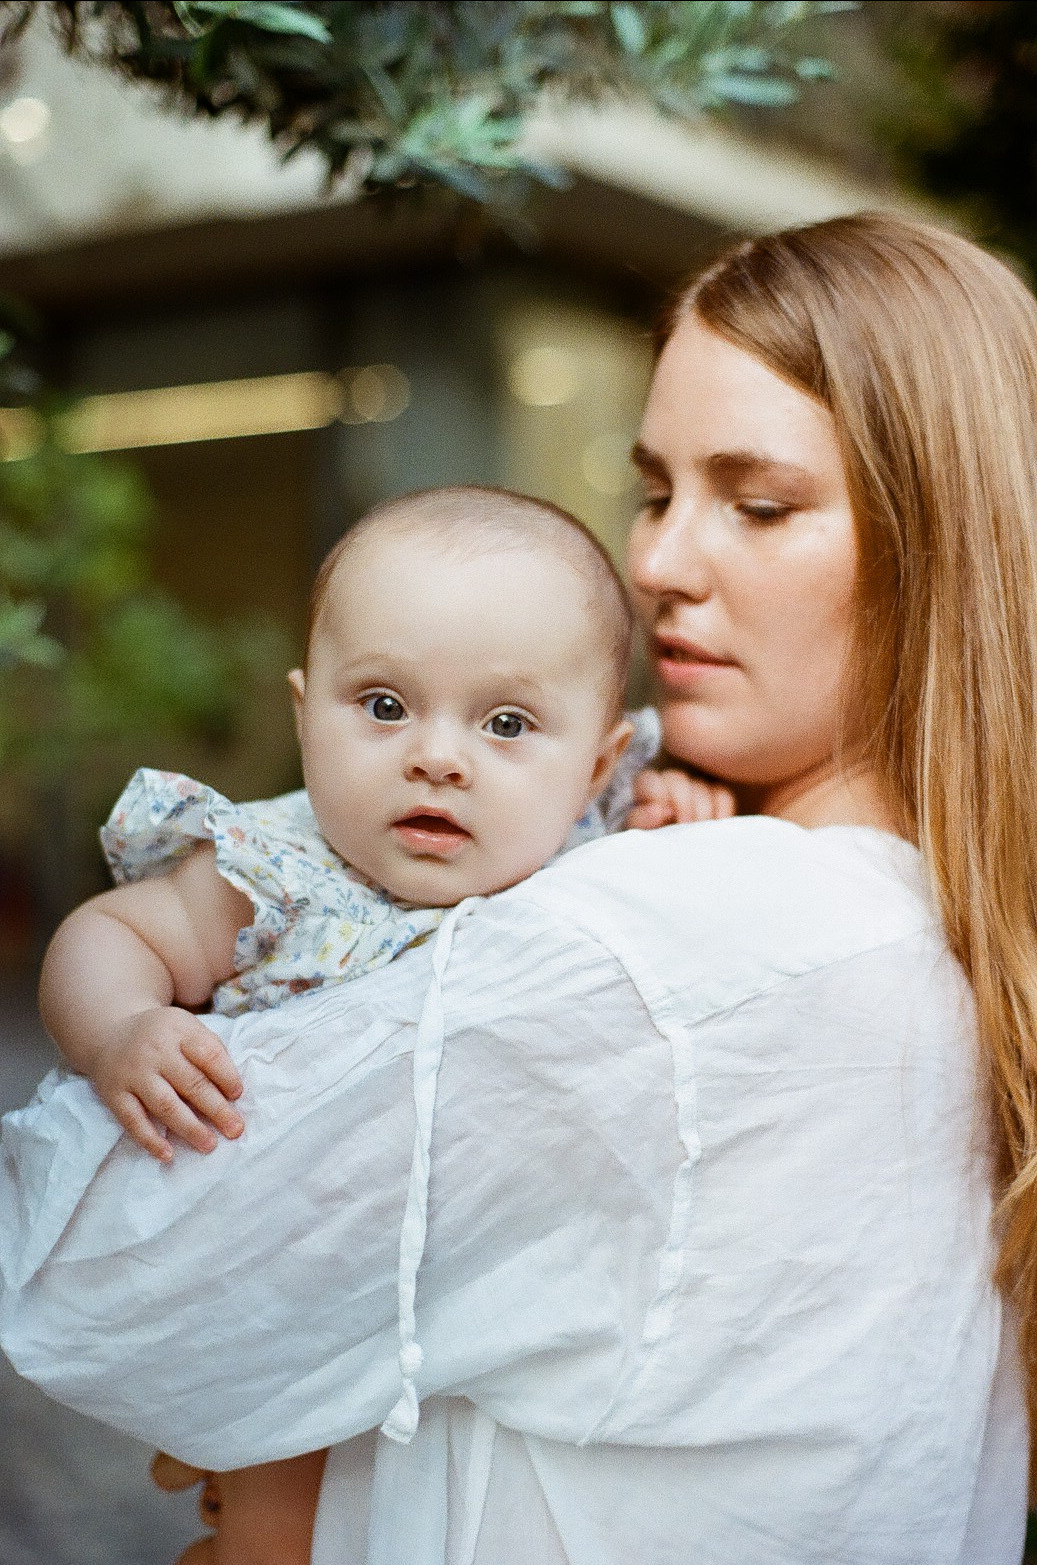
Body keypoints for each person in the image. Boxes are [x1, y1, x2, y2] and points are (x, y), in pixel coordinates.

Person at [0, 211, 1032, 1565]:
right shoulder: (917, 936)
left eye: (758, 502)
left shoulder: (689, 941)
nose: (657, 561)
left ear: (938, 543)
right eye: (654, 489)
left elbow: (89, 1271)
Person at [32, 483, 716, 1564]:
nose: (436, 755)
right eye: (384, 705)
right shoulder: (279, 872)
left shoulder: (589, 863)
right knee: (275, 1521)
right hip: (298, 1288)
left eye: (504, 723)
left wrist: (681, 828)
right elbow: (109, 933)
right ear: (305, 713)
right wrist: (119, 1027)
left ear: (594, 763)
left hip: (500, 1302)